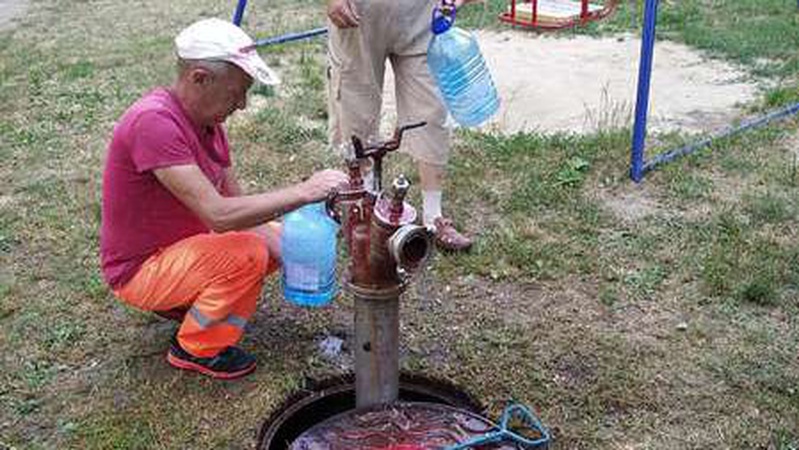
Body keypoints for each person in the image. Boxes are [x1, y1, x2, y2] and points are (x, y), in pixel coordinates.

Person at [100, 18, 349, 380]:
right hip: (139, 270)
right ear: (199, 78)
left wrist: (292, 249)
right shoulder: (152, 122)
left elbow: (237, 203)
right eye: (236, 93)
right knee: (246, 255)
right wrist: (305, 191)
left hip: (181, 247)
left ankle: (186, 300)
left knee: (283, 241)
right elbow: (219, 214)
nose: (243, 104)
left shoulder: (208, 124)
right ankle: (196, 348)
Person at [326, 0, 477, 252]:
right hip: (359, 12)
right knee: (356, 109)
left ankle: (433, 217)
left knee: (431, 109)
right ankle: (365, 209)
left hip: (422, 13)